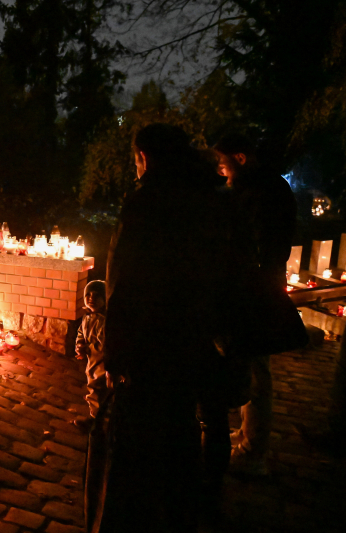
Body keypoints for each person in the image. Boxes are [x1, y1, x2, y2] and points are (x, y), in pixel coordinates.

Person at [91, 124, 224, 533]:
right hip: (193, 342)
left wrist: (114, 354)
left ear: (144, 158)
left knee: (135, 447)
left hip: (148, 348)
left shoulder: (147, 204)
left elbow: (126, 284)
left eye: (135, 160)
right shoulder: (210, 199)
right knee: (178, 438)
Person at [213, 134, 297, 476]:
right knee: (248, 363)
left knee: (256, 368)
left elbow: (260, 245)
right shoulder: (260, 187)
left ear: (241, 158)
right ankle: (248, 432)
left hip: (255, 290)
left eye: (222, 162)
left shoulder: (262, 193)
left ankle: (253, 451)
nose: (219, 170)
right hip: (253, 286)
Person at [74, 280, 108, 426]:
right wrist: (80, 344)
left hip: (102, 364)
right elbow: (81, 332)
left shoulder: (104, 321)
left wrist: (87, 348)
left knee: (97, 389)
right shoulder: (87, 316)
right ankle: (97, 417)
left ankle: (96, 422)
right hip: (92, 360)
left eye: (96, 295)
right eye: (88, 295)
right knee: (93, 385)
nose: (91, 298)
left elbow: (103, 344)